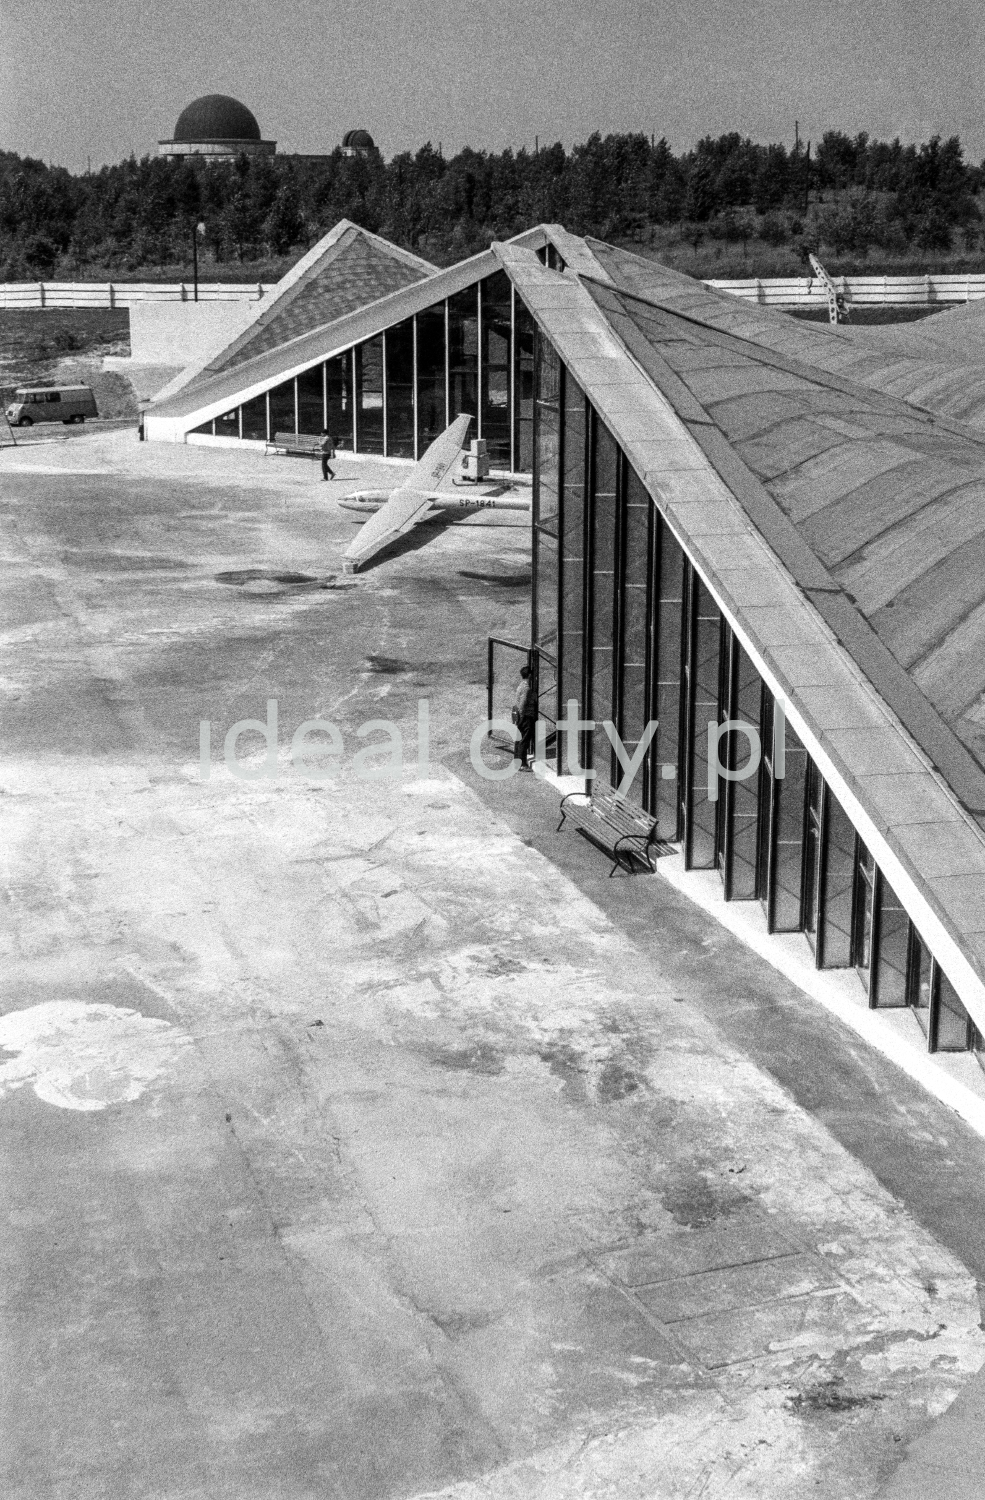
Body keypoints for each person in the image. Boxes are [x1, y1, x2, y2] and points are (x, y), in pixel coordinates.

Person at [512, 664, 538, 772]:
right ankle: (522, 764)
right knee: (524, 740)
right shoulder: (527, 689)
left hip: (519, 716)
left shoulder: (520, 686)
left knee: (519, 739)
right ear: (530, 675)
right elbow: (522, 704)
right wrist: (522, 717)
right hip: (526, 717)